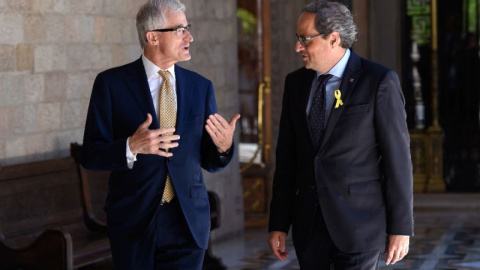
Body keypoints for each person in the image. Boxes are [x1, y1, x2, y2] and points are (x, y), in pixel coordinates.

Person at [81, 0, 240, 269]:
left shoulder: (200, 88)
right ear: (152, 36)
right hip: (134, 223)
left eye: (187, 28)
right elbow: (91, 155)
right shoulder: (111, 84)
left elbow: (210, 161)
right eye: (179, 30)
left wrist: (224, 147)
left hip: (187, 221)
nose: (189, 36)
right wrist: (131, 146)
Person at [267, 1, 413, 269]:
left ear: (333, 38)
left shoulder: (379, 81)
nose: (298, 47)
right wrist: (278, 223)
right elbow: (287, 159)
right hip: (308, 227)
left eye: (305, 39)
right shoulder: (295, 84)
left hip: (360, 225)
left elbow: (398, 161)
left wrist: (400, 228)